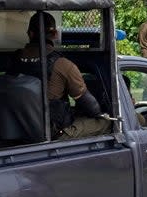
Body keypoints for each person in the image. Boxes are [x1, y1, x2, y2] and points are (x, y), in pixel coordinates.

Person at [16, 11, 111, 139]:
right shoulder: (63, 65)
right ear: (55, 34)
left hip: (18, 130)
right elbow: (92, 107)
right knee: (107, 122)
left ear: (30, 34)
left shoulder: (13, 61)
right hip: (52, 135)